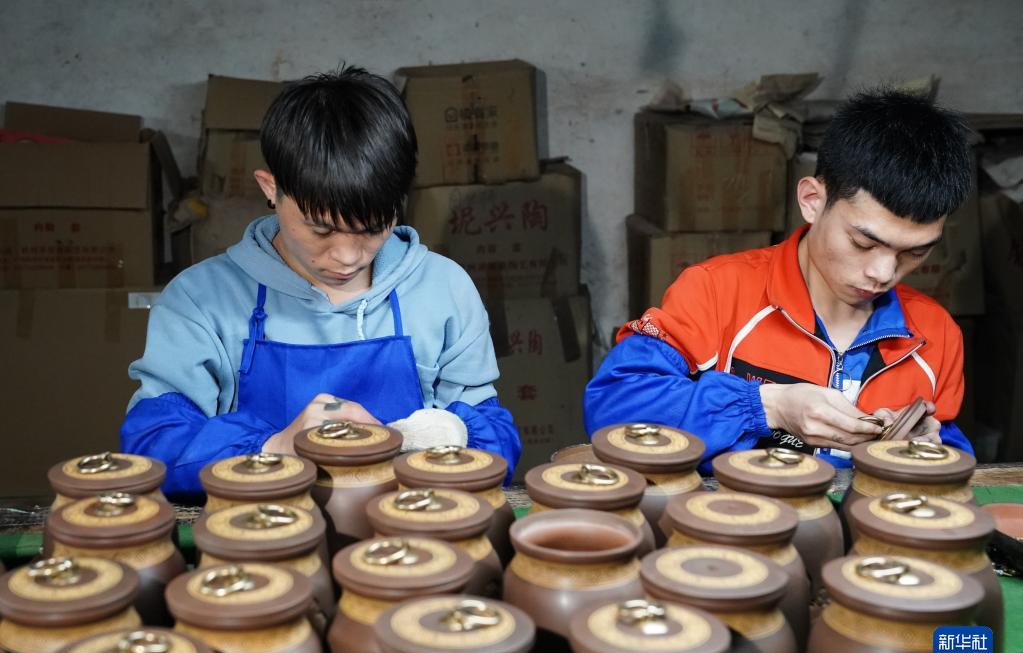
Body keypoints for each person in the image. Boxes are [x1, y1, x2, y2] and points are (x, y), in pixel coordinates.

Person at [121, 67, 521, 501]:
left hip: (409, 532)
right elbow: (154, 444)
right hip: (259, 533)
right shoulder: (201, 299)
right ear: (271, 189)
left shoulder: (444, 289)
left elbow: (496, 439)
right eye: (321, 230)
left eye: (372, 228)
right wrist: (276, 447)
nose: (347, 256)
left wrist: (452, 434)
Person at [585, 87, 974, 470]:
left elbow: (958, 461)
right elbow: (613, 406)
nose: (883, 273)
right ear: (812, 201)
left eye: (914, 252)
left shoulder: (935, 334)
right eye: (863, 242)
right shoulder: (717, 292)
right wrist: (765, 406)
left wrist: (926, 447)